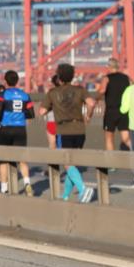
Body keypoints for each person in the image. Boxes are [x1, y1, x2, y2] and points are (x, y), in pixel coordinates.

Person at [39, 63, 96, 203]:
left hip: (64, 130)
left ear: (59, 77)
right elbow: (92, 103)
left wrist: (51, 107)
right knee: (72, 163)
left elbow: (41, 111)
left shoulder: (53, 93)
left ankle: (83, 190)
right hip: (80, 129)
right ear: (72, 76)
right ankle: (65, 196)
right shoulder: (80, 90)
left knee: (67, 163)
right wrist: (88, 116)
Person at [0, 70, 34, 196]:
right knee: (22, 159)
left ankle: (4, 188)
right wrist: (19, 114)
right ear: (17, 81)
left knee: (3, 160)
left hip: (6, 129)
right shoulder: (25, 95)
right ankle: (27, 183)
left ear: (5, 81)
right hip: (20, 129)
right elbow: (31, 114)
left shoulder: (3, 95)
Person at [95, 58, 131, 152]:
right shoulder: (126, 77)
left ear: (109, 67)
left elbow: (102, 91)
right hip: (124, 111)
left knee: (109, 138)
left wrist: (97, 98)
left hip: (111, 111)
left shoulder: (106, 78)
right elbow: (133, 88)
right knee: (126, 138)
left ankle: (111, 164)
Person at [44, 74, 60, 149]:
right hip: (65, 123)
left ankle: (52, 160)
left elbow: (43, 110)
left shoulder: (50, 93)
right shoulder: (69, 93)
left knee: (52, 145)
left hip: (51, 121)